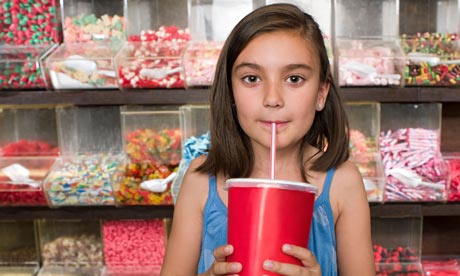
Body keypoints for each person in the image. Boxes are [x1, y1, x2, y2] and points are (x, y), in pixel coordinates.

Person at [161, 3, 375, 276]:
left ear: (321, 93)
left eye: (294, 78)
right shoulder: (201, 181)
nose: (272, 99)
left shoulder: (343, 183)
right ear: (231, 92)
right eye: (252, 78)